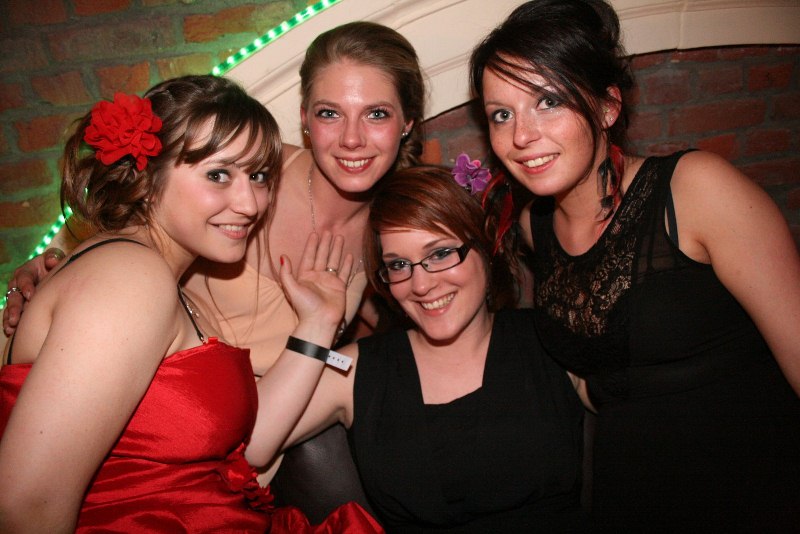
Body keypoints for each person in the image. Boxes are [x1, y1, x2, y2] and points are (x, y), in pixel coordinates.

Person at [2, 21, 425, 521]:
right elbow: (28, 502)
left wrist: (324, 326)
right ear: (305, 119)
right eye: (330, 112)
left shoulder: (391, 231)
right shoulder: (134, 273)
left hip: (228, 465)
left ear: (407, 123)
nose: (247, 203)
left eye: (376, 113)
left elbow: (250, 436)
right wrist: (54, 274)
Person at [470, 0, 800, 529]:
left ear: (607, 107)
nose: (521, 135)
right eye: (501, 114)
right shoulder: (535, 227)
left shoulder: (696, 189)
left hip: (756, 483)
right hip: (633, 491)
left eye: (548, 101)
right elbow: (605, 365)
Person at [274, 166, 587, 532]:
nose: (420, 285)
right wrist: (317, 325)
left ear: (485, 246)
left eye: (440, 253)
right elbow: (247, 446)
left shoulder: (550, 337)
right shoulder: (357, 368)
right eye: (398, 265)